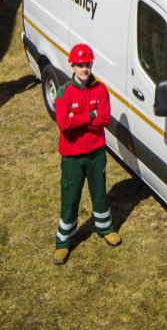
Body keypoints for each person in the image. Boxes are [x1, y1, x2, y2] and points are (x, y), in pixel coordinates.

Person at [53, 43, 122, 265]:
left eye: (88, 64)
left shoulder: (101, 90)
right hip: (72, 157)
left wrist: (80, 119)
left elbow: (104, 119)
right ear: (72, 65)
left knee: (100, 192)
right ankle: (63, 243)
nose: (84, 69)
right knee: (70, 197)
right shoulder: (64, 92)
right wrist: (90, 115)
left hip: (96, 153)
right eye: (80, 65)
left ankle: (105, 228)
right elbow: (63, 124)